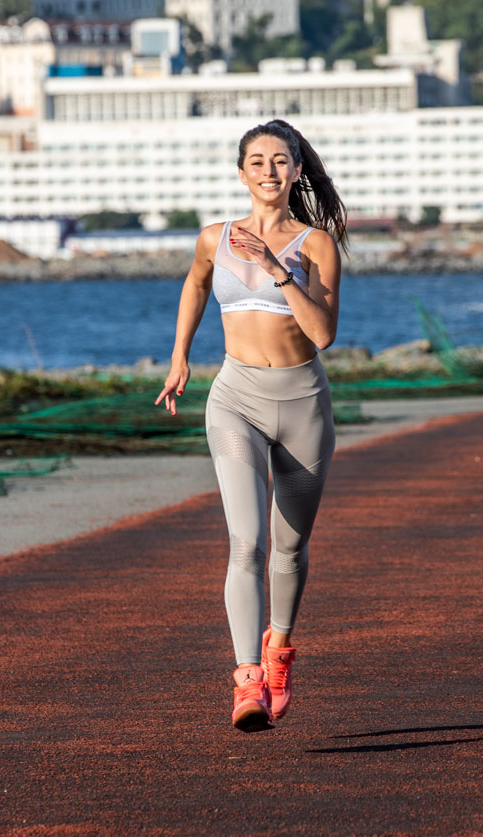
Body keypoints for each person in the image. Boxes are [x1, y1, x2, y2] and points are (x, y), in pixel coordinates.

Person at [155, 119, 346, 732]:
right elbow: (195, 284)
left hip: (303, 404)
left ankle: (279, 651)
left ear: (296, 171)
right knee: (248, 543)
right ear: (242, 173)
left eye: (281, 161)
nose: (269, 171)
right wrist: (181, 353)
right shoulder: (215, 237)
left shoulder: (317, 245)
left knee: (289, 547)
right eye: (257, 161)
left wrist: (278, 267)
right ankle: (248, 683)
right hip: (235, 397)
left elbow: (323, 334)